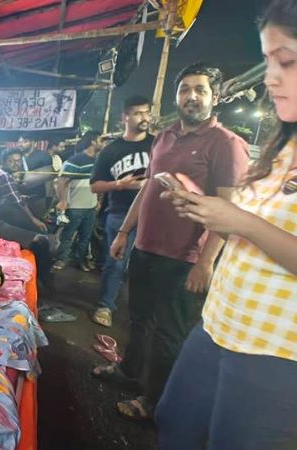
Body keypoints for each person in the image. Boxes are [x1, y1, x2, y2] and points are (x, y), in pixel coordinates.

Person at [157, 2, 297, 447]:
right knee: (174, 421)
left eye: (286, 61)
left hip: (276, 350)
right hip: (221, 322)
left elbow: (247, 222)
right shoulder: (283, 146)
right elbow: (252, 220)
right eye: (268, 61)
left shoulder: (228, 142)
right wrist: (203, 207)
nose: (271, 78)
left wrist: (235, 220)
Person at [92, 63, 250, 420]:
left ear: (215, 96)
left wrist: (205, 262)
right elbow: (147, 188)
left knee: (169, 335)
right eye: (185, 90)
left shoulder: (226, 144)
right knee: (139, 320)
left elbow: (228, 210)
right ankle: (129, 372)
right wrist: (124, 232)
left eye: (200, 90)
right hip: (145, 248)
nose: (191, 96)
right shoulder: (163, 137)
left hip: (184, 258)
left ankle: (155, 403)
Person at [89, 96, 154, 327]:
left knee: (147, 266)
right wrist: (120, 184)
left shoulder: (159, 145)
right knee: (115, 261)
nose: (144, 117)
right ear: (125, 117)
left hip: (154, 215)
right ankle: (106, 305)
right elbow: (95, 186)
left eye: (146, 112)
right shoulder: (110, 150)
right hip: (119, 213)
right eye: (138, 113)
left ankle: (142, 314)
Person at [0, 147, 55, 289]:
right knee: (41, 239)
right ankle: (43, 279)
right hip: (0, 222)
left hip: (3, 219)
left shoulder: (1, 175)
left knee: (42, 234)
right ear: (3, 162)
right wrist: (33, 220)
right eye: (11, 161)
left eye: (18, 161)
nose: (16, 164)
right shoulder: (3, 176)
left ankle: (40, 276)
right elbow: (18, 202)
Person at [54, 131, 105, 272]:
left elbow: (97, 183)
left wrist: (98, 200)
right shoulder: (74, 160)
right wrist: (63, 201)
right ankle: (61, 259)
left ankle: (80, 260)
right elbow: (62, 182)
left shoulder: (97, 161)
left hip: (91, 206)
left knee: (85, 237)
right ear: (93, 141)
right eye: (101, 140)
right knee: (67, 235)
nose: (103, 143)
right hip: (75, 206)